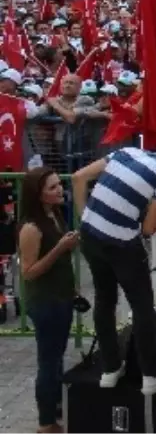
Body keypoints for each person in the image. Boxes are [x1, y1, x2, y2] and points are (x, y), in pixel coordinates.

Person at [72, 140, 156, 394]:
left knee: (105, 298)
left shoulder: (127, 151)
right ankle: (151, 374)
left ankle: (110, 369)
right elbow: (148, 228)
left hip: (91, 233)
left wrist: (85, 219)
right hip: (122, 243)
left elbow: (78, 177)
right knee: (142, 305)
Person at [18, 167, 78, 434]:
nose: (59, 190)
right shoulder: (31, 228)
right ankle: (46, 423)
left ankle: (55, 407)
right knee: (49, 361)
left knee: (56, 358)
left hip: (61, 297)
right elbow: (29, 272)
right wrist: (59, 249)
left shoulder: (54, 216)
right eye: (52, 188)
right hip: (45, 302)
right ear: (38, 194)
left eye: (58, 185)